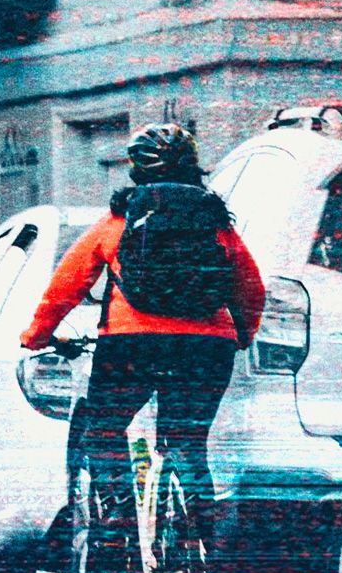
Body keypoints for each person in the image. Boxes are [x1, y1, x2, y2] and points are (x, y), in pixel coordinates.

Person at [19, 123, 266, 534]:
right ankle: (199, 526)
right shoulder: (216, 223)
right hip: (207, 347)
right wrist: (242, 333)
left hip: (131, 344)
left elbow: (68, 283)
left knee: (103, 429)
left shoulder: (118, 221)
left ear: (135, 169)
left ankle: (117, 506)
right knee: (187, 441)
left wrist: (38, 335)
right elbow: (251, 289)